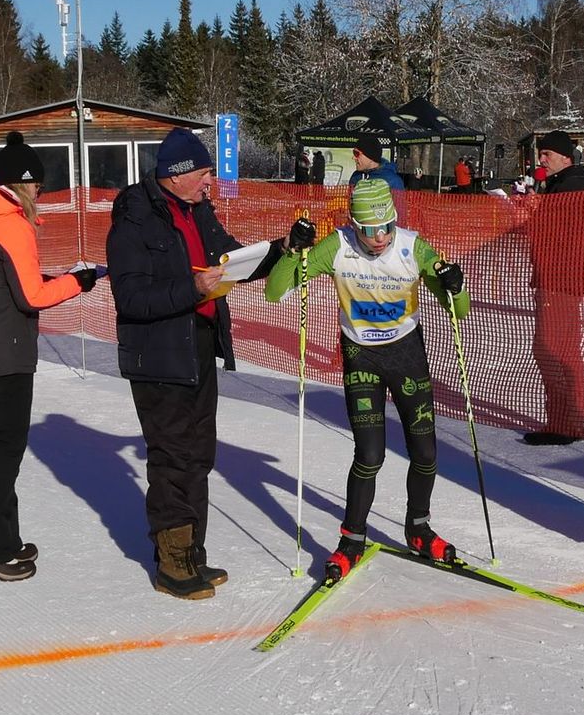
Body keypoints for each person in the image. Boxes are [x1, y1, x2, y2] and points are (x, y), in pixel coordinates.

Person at [108, 127, 314, 599]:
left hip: (198, 345)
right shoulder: (135, 218)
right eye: (203, 174)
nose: (209, 183)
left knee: (199, 454)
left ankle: (192, 552)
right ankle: (172, 562)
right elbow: (131, 297)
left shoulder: (198, 211)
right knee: (172, 456)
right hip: (158, 354)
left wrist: (283, 247)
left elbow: (235, 259)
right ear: (177, 175)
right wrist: (194, 289)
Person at [264, 177, 469, 580]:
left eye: (387, 227)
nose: (381, 238)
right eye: (371, 230)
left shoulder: (412, 247)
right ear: (354, 226)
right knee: (370, 455)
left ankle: (419, 528)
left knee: (426, 453)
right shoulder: (336, 247)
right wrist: (291, 250)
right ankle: (352, 539)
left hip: (406, 354)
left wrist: (454, 285)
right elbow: (275, 292)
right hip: (362, 357)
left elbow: (456, 309)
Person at [0, 134, 98, 581]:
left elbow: (3, 281)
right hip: (6, 353)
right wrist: (81, 281)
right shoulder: (11, 224)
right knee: (6, 452)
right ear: (20, 184)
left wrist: (57, 276)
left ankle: (5, 539)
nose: (40, 195)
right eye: (37, 187)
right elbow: (31, 295)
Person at [523, 130, 584, 446]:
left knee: (551, 350)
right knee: (563, 350)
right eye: (541, 154)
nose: (542, 160)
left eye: (547, 154)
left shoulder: (570, 188)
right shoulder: (568, 184)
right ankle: (569, 420)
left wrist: (531, 217)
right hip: (564, 277)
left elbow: (558, 234)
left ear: (565, 157)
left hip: (559, 277)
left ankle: (563, 423)